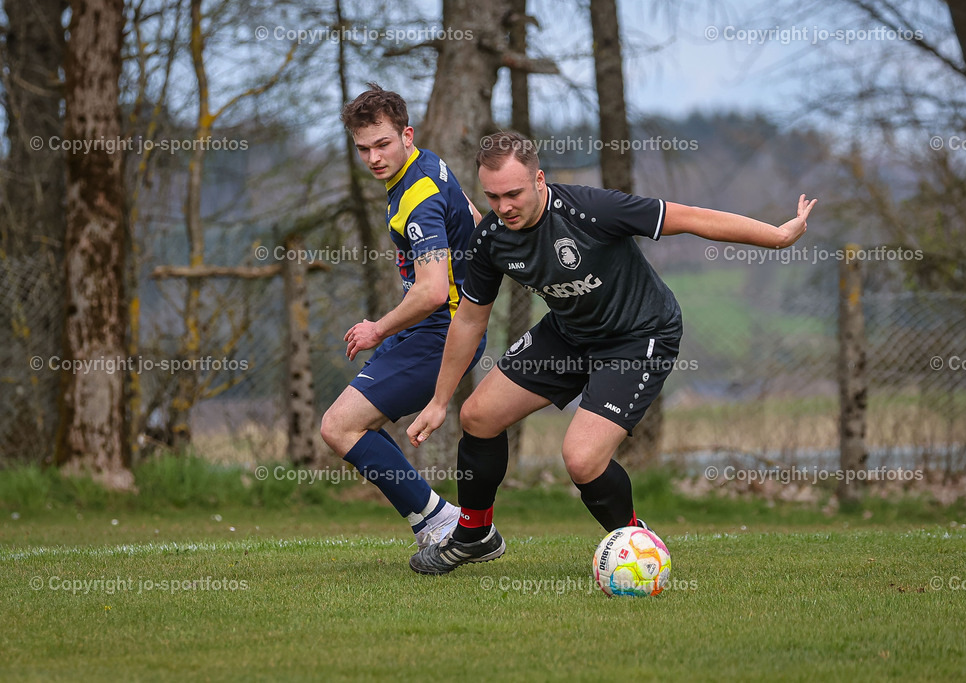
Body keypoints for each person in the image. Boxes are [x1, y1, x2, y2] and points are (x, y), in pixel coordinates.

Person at [405, 131, 816, 574]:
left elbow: (692, 217)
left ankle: (639, 547)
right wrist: (439, 401)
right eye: (492, 196)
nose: (503, 207)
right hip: (570, 334)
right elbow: (469, 319)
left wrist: (776, 236)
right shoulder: (492, 238)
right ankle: (474, 535)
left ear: (539, 180)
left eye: (513, 194)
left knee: (582, 459)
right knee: (478, 417)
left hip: (638, 337)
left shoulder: (591, 210)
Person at [320, 84, 485, 550]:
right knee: (354, 425)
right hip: (438, 327)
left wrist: (377, 328)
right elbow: (473, 219)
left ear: (406, 135)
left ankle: (439, 521)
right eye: (363, 148)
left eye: (383, 144)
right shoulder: (429, 164)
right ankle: (439, 520)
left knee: (338, 427)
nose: (373, 157)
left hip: (441, 334)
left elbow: (432, 291)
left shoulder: (416, 196)